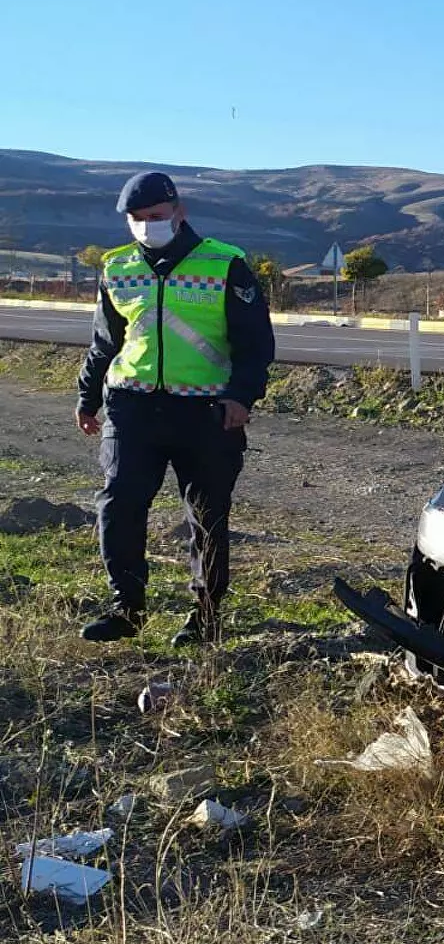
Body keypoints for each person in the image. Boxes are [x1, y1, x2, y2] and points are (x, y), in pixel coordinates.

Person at [76, 172, 276, 645]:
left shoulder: (225, 264)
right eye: (137, 219)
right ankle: (126, 607)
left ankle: (205, 615)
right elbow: (106, 341)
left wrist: (240, 397)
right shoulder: (117, 267)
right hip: (133, 408)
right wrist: (87, 397)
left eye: (156, 217)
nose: (148, 226)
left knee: (206, 515)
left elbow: (255, 342)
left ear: (178, 211)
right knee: (120, 505)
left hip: (206, 412)